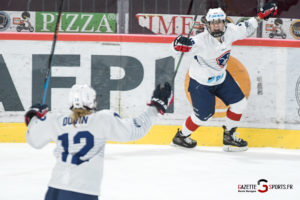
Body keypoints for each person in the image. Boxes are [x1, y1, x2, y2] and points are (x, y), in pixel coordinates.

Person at [25, 83, 172, 200]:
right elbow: (135, 130)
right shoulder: (102, 120)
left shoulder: (54, 120)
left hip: (55, 189)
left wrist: (34, 117)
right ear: (92, 101)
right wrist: (155, 108)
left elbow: (33, 140)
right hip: (83, 192)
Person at [171, 2, 278, 151]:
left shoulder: (231, 31)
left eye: (220, 22)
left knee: (240, 103)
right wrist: (177, 44)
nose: (216, 26)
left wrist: (260, 17)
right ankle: (181, 136)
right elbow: (180, 48)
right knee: (203, 116)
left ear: (224, 23)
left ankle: (229, 137)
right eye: (213, 23)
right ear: (207, 25)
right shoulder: (200, 41)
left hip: (221, 78)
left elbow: (246, 27)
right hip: (201, 84)